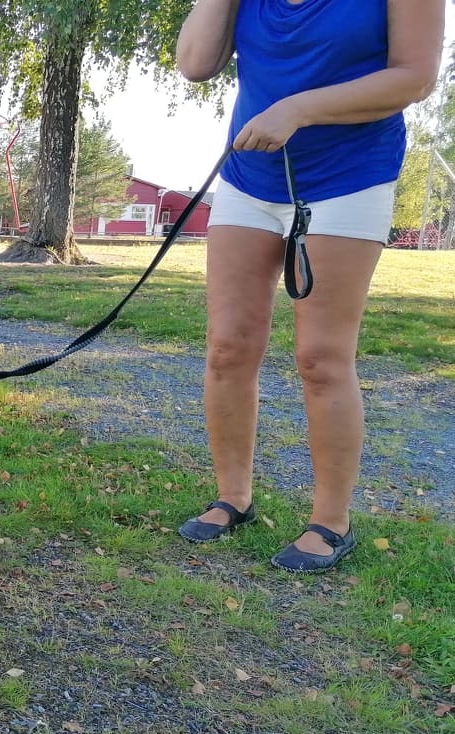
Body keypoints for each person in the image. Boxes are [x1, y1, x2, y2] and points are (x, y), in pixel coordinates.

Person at [174, 0, 446, 572]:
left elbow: (415, 78)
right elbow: (195, 64)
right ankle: (233, 497)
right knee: (227, 346)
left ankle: (331, 522)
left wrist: (299, 109)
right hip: (249, 176)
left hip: (349, 178)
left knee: (322, 357)